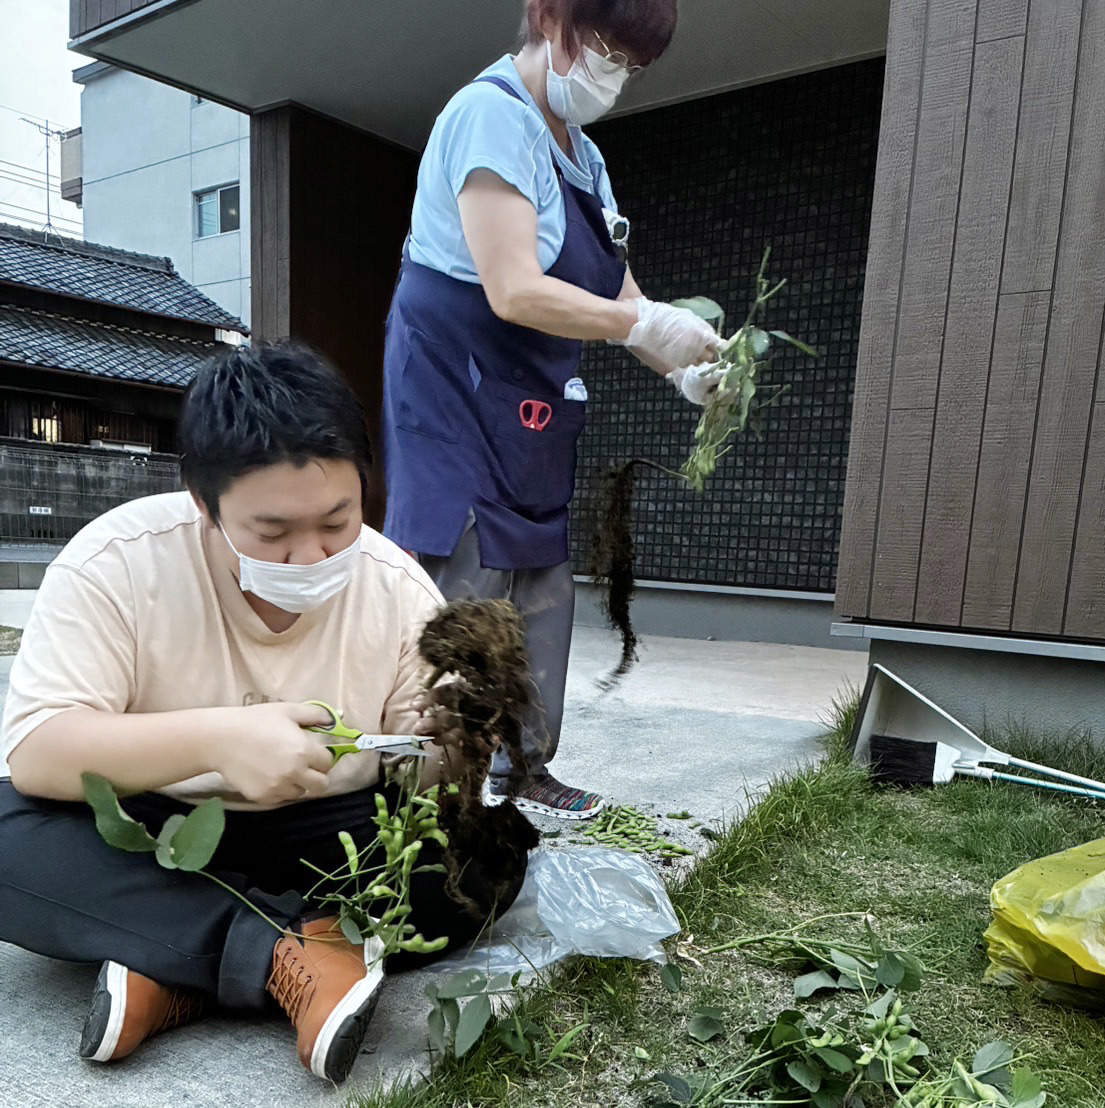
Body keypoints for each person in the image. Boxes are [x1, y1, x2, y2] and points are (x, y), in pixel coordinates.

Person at [0, 344, 526, 1084]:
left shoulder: (397, 590)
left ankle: (172, 963)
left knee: (488, 859)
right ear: (201, 501)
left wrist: (452, 742)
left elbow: (429, 776)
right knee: (7, 838)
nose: (310, 556)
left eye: (337, 522)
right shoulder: (116, 563)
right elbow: (39, 752)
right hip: (159, 828)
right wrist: (216, 739)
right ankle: (296, 954)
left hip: (328, 833)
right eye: (271, 533)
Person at [381, 0, 723, 822]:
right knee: (464, 585)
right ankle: (434, 781)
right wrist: (642, 324)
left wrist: (678, 367)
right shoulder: (487, 117)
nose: (613, 74)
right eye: (606, 49)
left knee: (540, 586)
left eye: (631, 64)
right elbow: (514, 288)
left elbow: (620, 294)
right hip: (456, 388)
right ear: (550, 18)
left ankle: (528, 767)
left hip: (532, 405)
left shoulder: (586, 159)